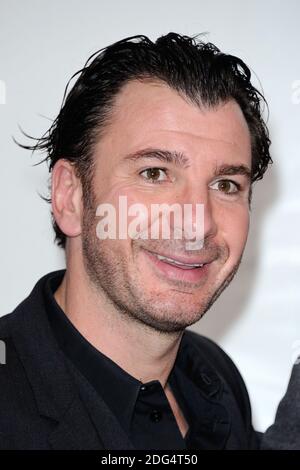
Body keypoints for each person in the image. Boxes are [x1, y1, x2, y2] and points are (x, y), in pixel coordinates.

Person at [0, 33, 272, 450]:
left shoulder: (216, 378)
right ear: (70, 196)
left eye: (225, 184)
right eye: (154, 174)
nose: (197, 223)